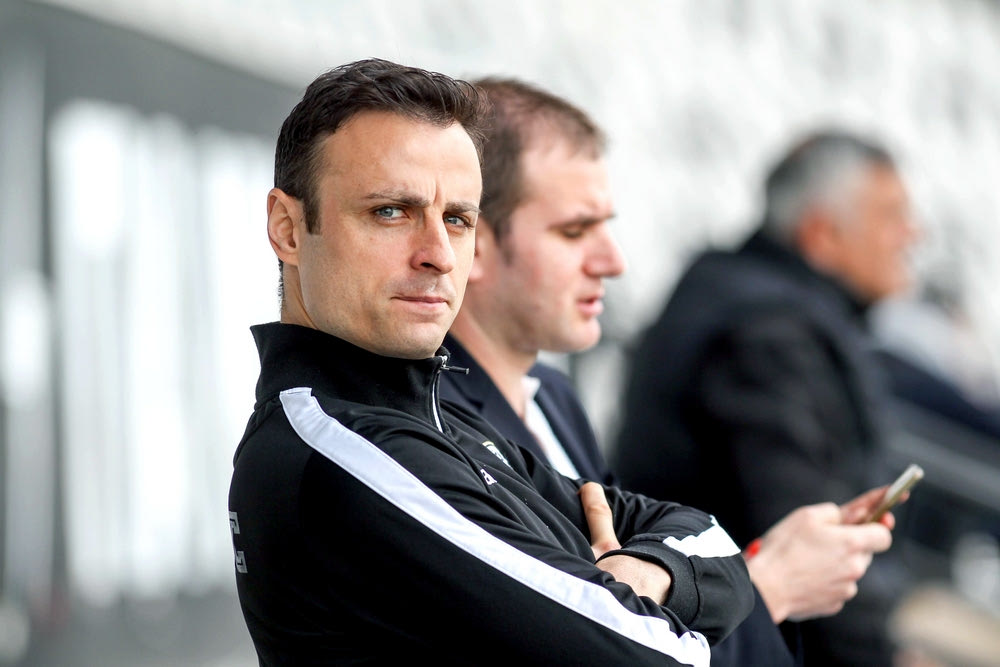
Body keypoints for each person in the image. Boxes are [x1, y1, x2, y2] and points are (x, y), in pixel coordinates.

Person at [227, 58, 754, 666]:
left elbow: (711, 539)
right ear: (288, 229)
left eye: (456, 219)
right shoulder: (347, 454)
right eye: (390, 211)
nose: (439, 254)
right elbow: (664, 656)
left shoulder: (435, 423)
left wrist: (644, 573)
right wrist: (630, 595)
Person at [440, 78, 897, 666]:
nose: (613, 261)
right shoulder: (437, 422)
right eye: (574, 231)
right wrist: (765, 588)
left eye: (606, 226)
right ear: (473, 240)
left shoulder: (553, 395)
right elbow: (588, 646)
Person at [611, 130, 920, 665]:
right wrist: (884, 657)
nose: (912, 234)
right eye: (890, 215)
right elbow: (801, 531)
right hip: (730, 637)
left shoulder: (738, 293)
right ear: (822, 234)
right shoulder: (770, 334)